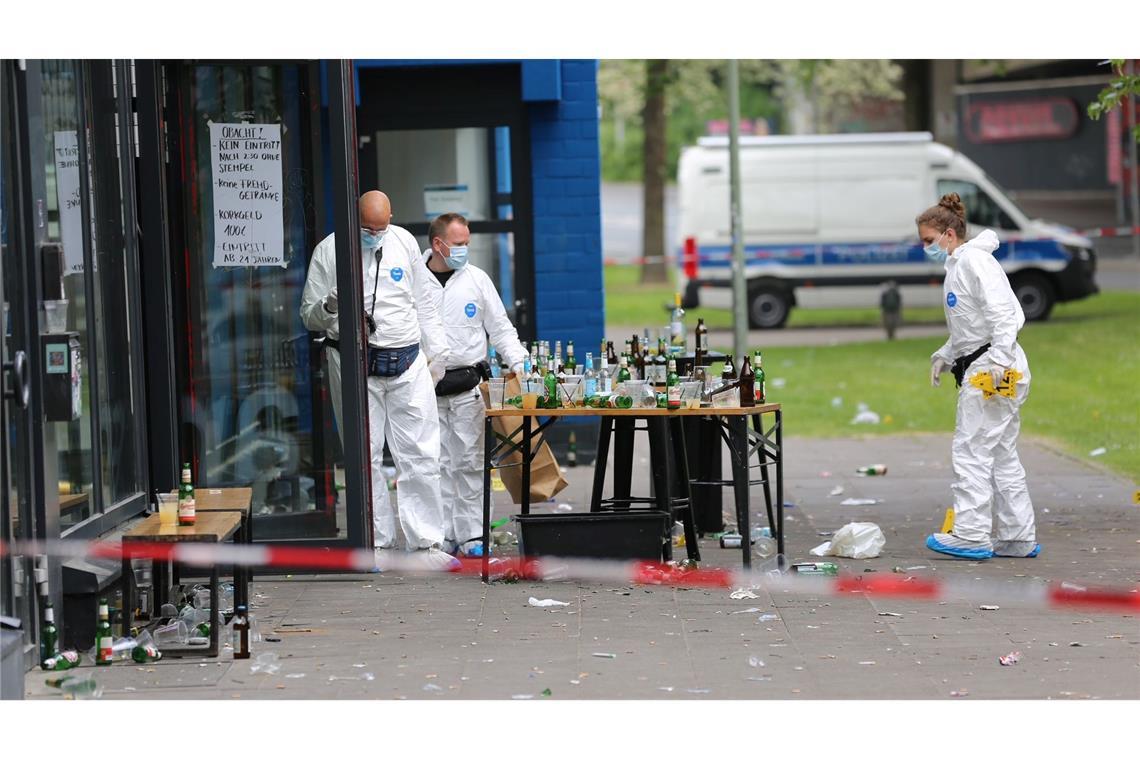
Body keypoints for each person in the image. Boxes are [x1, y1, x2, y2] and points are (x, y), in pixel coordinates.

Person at [300, 190, 456, 570]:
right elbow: (309, 317)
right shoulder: (329, 251)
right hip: (354, 364)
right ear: (353, 219)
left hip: (407, 361)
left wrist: (438, 355)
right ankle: (377, 544)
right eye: (367, 229)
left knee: (420, 455)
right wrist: (331, 305)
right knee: (364, 456)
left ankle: (426, 545)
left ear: (392, 218)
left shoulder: (403, 242)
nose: (374, 236)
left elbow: (425, 302)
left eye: (380, 228)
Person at [917, 192, 1039, 560]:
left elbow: (1002, 315)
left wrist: (998, 360)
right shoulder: (960, 265)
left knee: (971, 450)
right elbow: (972, 326)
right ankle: (1018, 536)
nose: (925, 248)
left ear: (949, 235)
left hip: (992, 368)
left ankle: (970, 534)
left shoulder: (974, 262)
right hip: (995, 363)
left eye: (928, 240)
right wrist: (946, 354)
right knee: (1000, 452)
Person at [422, 213, 528, 557]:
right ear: (438, 243)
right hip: (425, 386)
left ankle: (472, 536)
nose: (465, 249)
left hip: (468, 385)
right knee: (432, 464)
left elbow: (500, 328)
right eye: (459, 244)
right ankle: (439, 535)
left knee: (470, 462)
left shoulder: (476, 280)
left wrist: (521, 364)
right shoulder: (413, 279)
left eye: (467, 243)